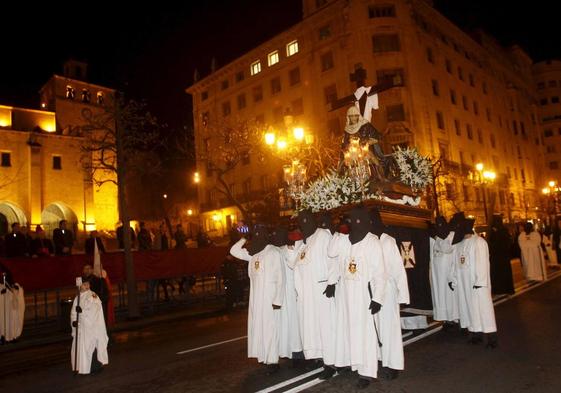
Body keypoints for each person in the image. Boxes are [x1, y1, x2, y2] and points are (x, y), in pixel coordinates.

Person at [331, 206, 386, 389]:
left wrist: (377, 298)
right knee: (349, 330)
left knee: (365, 334)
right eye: (351, 220)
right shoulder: (345, 240)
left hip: (363, 294)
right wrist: (338, 232)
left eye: (356, 220)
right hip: (346, 293)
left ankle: (367, 372)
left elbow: (380, 273)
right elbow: (331, 253)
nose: (354, 224)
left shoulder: (372, 242)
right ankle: (353, 361)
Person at [289, 210, 337, 380]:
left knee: (325, 329)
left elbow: (333, 258)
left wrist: (331, 282)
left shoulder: (323, 235)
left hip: (321, 291)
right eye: (300, 221)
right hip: (307, 296)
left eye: (305, 220)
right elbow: (295, 266)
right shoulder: (304, 243)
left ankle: (331, 363)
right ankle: (320, 357)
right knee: (312, 329)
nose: (303, 223)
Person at [230, 225, 284, 372]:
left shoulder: (273, 252)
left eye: (259, 235)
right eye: (255, 235)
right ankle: (264, 357)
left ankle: (273, 361)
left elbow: (280, 277)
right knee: (259, 328)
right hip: (256, 298)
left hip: (269, 298)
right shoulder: (253, 254)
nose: (256, 238)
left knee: (270, 329)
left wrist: (277, 300)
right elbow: (233, 251)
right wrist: (244, 238)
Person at [370, 208, 409, 380]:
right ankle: (380, 358)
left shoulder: (388, 242)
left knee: (390, 328)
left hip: (388, 290)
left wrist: (402, 295)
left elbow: (398, 271)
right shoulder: (369, 242)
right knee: (377, 327)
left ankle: (393, 363)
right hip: (373, 290)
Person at [450, 218, 498, 348]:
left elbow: (482, 262)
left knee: (482, 309)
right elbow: (455, 265)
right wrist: (453, 279)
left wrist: (481, 281)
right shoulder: (458, 245)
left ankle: (491, 337)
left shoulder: (479, 242)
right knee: (468, 308)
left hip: (477, 283)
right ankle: (475, 333)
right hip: (464, 284)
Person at [270, 225, 303, 364]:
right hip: (282, 293)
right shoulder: (274, 252)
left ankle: (298, 352)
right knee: (284, 325)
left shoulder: (291, 249)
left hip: (292, 291)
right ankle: (287, 350)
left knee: (295, 324)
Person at [70, 277, 109, 374]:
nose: (87, 286)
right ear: (80, 286)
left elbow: (94, 309)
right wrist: (74, 322)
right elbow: (73, 313)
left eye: (88, 284)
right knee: (80, 348)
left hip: (90, 327)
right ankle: (80, 366)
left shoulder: (92, 295)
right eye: (84, 284)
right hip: (81, 328)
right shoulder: (77, 298)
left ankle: (93, 367)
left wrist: (82, 312)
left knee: (90, 346)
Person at [429, 216, 459, 326]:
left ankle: (454, 320)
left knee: (449, 298)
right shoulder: (435, 238)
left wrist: (437, 239)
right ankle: (446, 320)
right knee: (440, 298)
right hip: (437, 276)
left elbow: (447, 248)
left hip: (447, 275)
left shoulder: (451, 236)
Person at [487, 215, 515, 294]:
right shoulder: (503, 231)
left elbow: (493, 244)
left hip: (497, 257)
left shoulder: (497, 232)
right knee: (503, 273)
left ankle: (499, 289)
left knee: (498, 274)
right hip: (503, 257)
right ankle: (505, 289)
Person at [0, 264, 25, 344]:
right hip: (4, 305)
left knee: (11, 318)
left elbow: (12, 284)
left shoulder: (4, 269)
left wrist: (15, 290)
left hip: (10, 304)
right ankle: (2, 335)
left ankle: (11, 335)